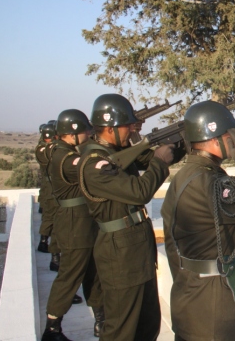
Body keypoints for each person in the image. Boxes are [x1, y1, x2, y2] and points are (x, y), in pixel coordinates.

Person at [162, 101, 235, 341]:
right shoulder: (206, 181)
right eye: (231, 134)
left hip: (196, 295)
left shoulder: (191, 174)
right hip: (212, 307)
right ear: (216, 138)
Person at [78, 93, 176, 341]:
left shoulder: (118, 153)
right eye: (128, 124)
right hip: (119, 255)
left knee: (148, 324)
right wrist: (161, 163)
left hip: (136, 250)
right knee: (122, 330)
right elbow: (139, 192)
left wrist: (181, 140)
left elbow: (150, 156)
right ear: (110, 128)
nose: (134, 127)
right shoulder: (94, 164)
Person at [42, 109, 104, 341]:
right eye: (86, 130)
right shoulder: (65, 157)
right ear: (73, 133)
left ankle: (101, 320)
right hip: (74, 225)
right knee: (70, 275)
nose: (89, 133)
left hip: (85, 223)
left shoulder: (67, 152)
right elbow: (91, 168)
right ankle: (52, 328)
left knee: (94, 274)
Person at [35, 121, 66, 273]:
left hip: (54, 188)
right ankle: (54, 255)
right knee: (52, 219)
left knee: (53, 219)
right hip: (51, 189)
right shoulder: (44, 149)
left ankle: (51, 250)